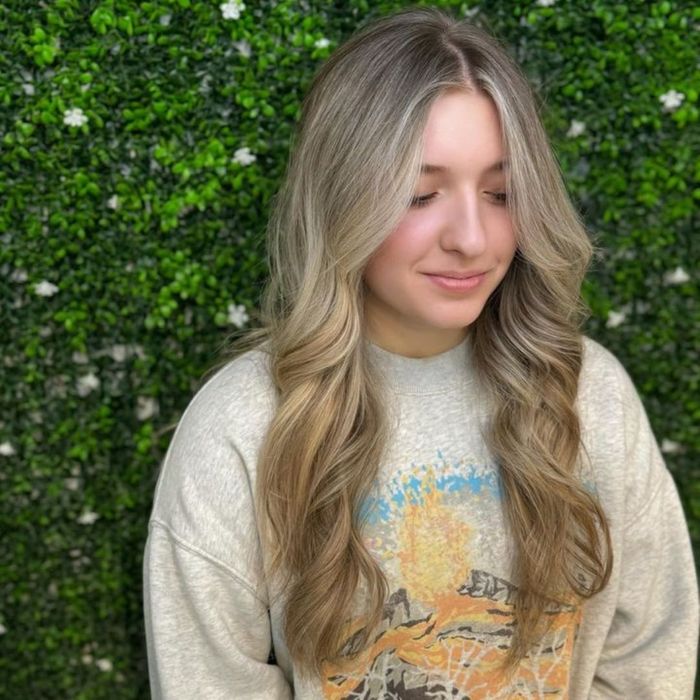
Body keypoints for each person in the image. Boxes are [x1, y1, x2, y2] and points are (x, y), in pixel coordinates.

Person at [142, 6, 699, 699]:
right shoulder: (242, 427)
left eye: (501, 193)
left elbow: (649, 657)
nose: (471, 236)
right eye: (420, 194)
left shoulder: (592, 396)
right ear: (343, 199)